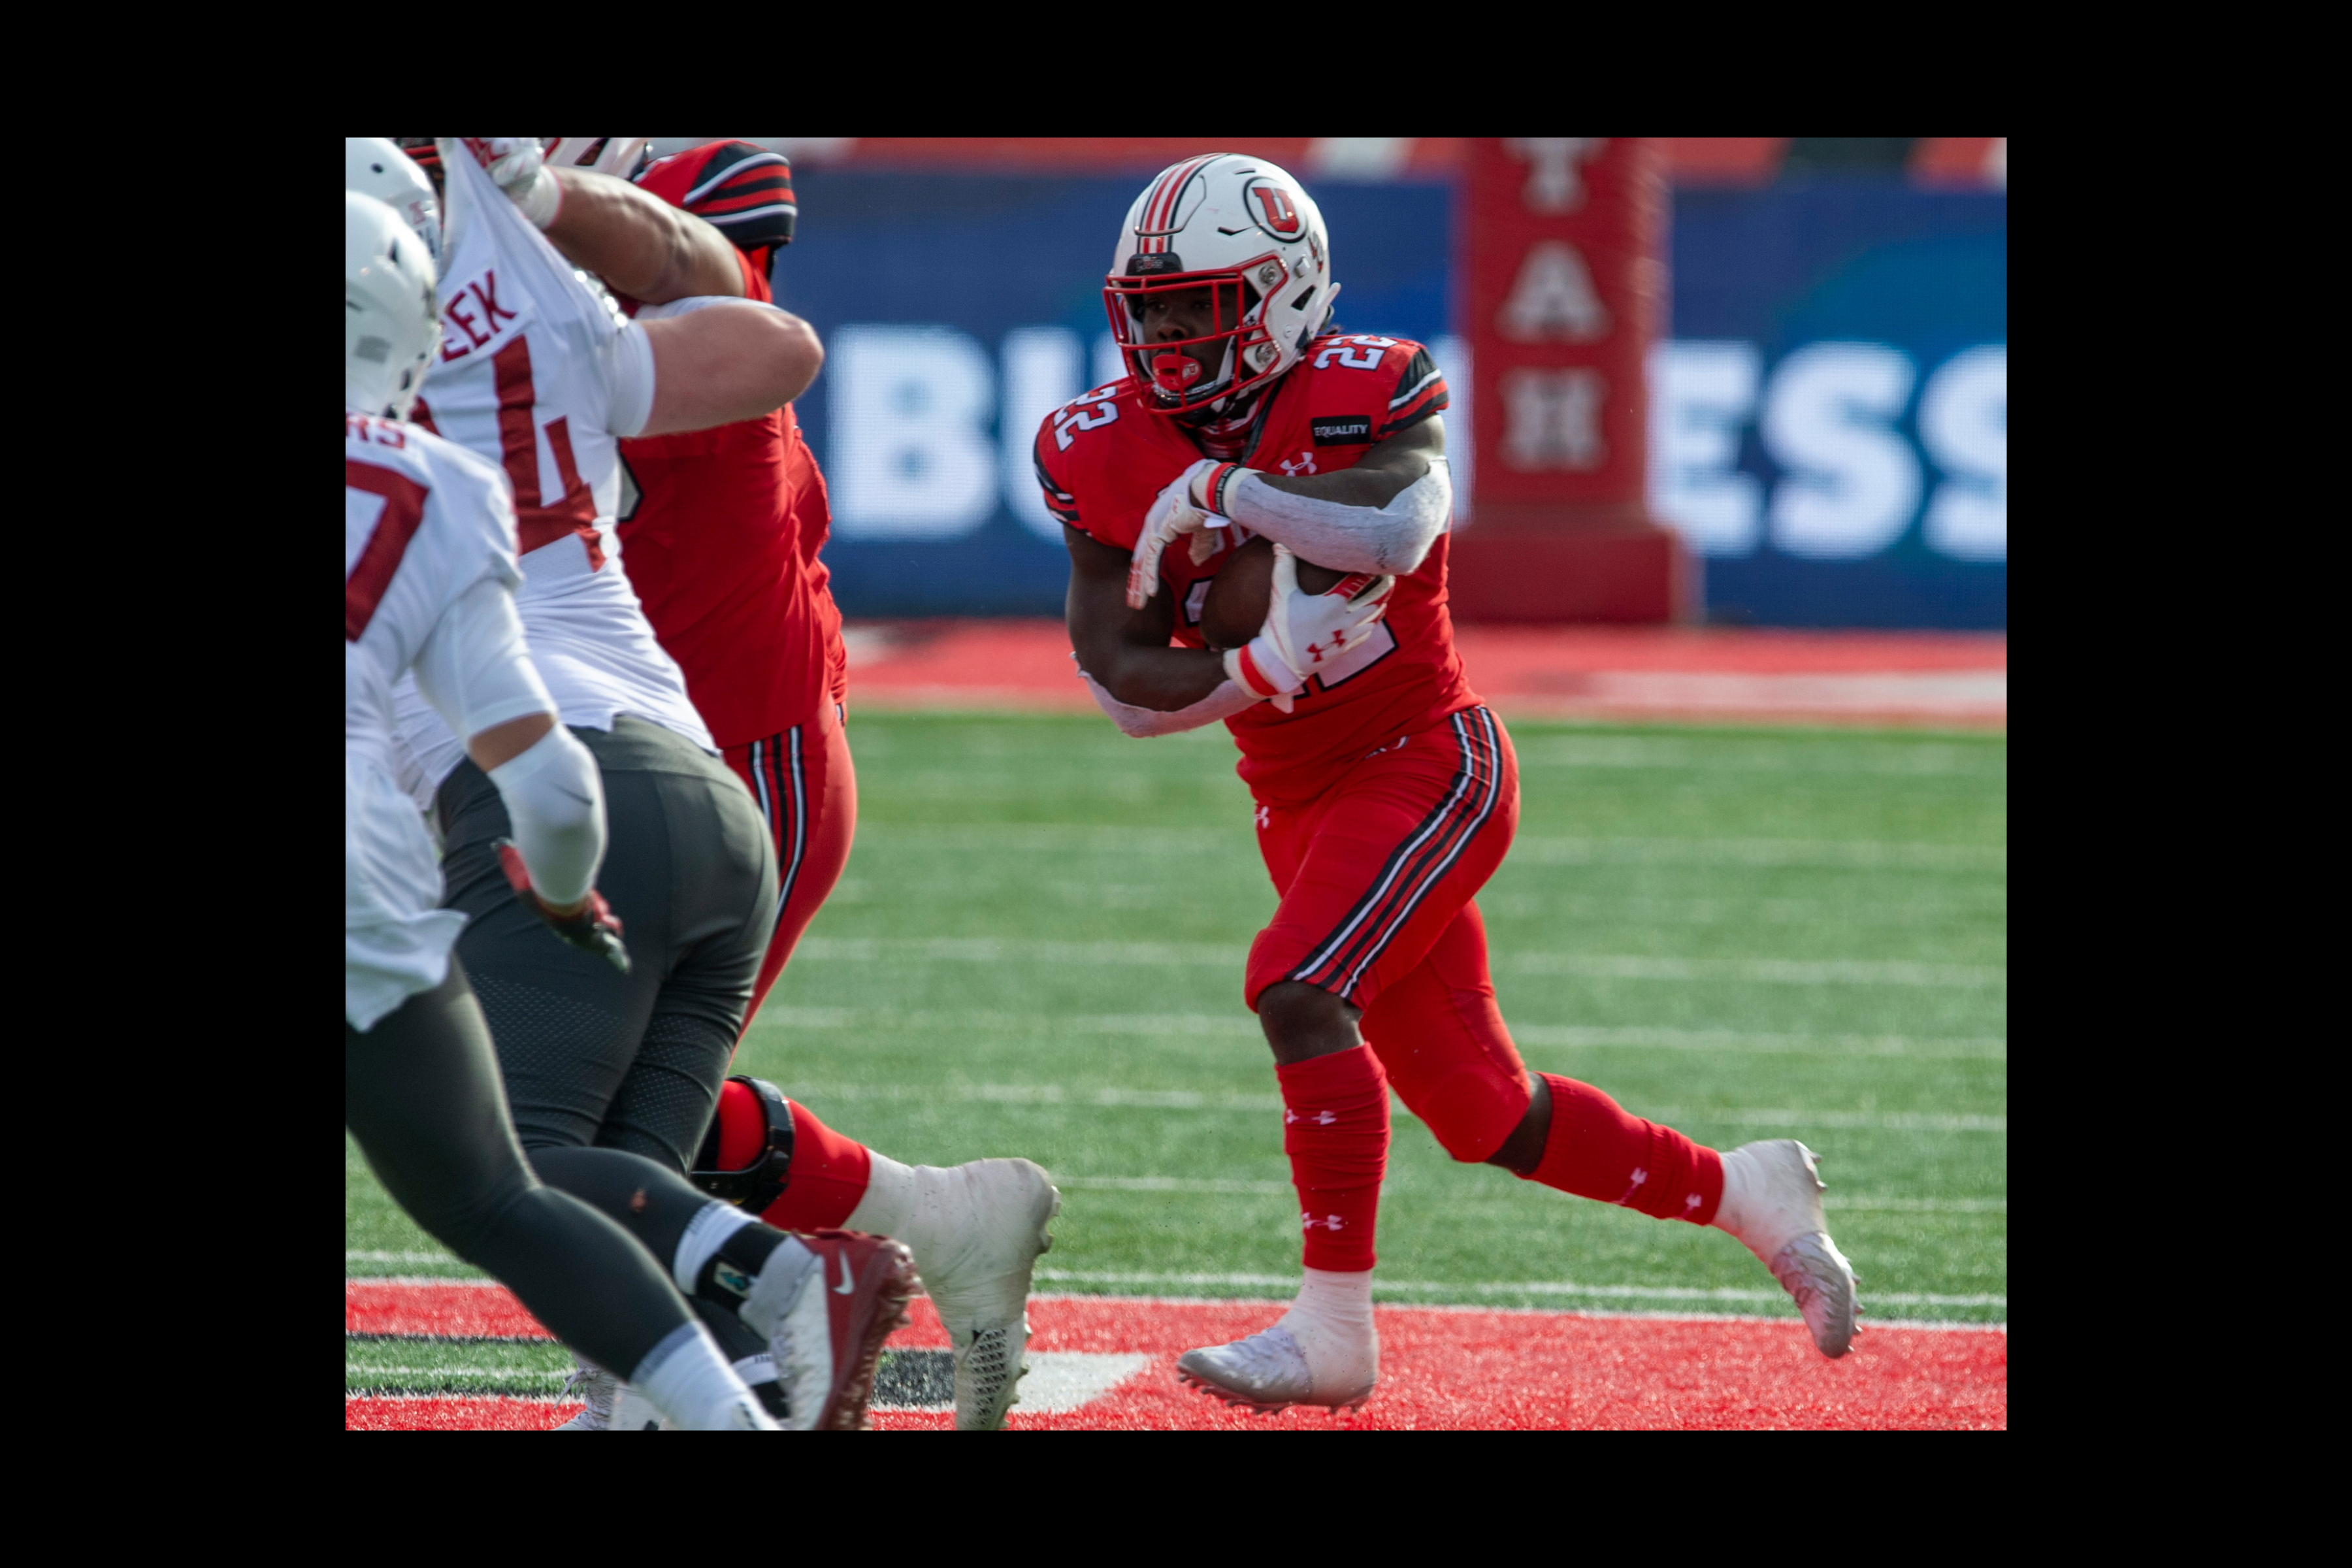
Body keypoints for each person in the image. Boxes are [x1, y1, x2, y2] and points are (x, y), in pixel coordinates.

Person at [1041, 154, 1859, 1414]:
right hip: (1296, 794)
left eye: (1192, 308)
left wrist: (1232, 493)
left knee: (1296, 988)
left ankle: (1331, 1332)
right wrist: (1258, 664)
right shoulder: (1095, 443)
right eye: (1145, 310)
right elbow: (1115, 681)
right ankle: (1748, 1194)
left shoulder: (1369, 380)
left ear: (1281, 295)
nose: (1161, 338)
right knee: (1490, 1114)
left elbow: (1394, 526)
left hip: (1429, 759)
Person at [357, 139, 913, 1429]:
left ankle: (790, 1270)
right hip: (710, 803)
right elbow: (778, 344)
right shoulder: (550, 339)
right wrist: (557, 213)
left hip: (574, 805)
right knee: (634, 1201)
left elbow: (522, 746)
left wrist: (556, 879)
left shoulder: (404, 475)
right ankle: (746, 1378)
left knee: (508, 1166)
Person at [593, 138, 1060, 1433]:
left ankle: (707, 1361)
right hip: (637, 749)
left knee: (587, 1109)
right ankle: (937, 1222)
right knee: (563, 1090)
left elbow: (733, 249)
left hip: (745, 756)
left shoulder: (689, 262)